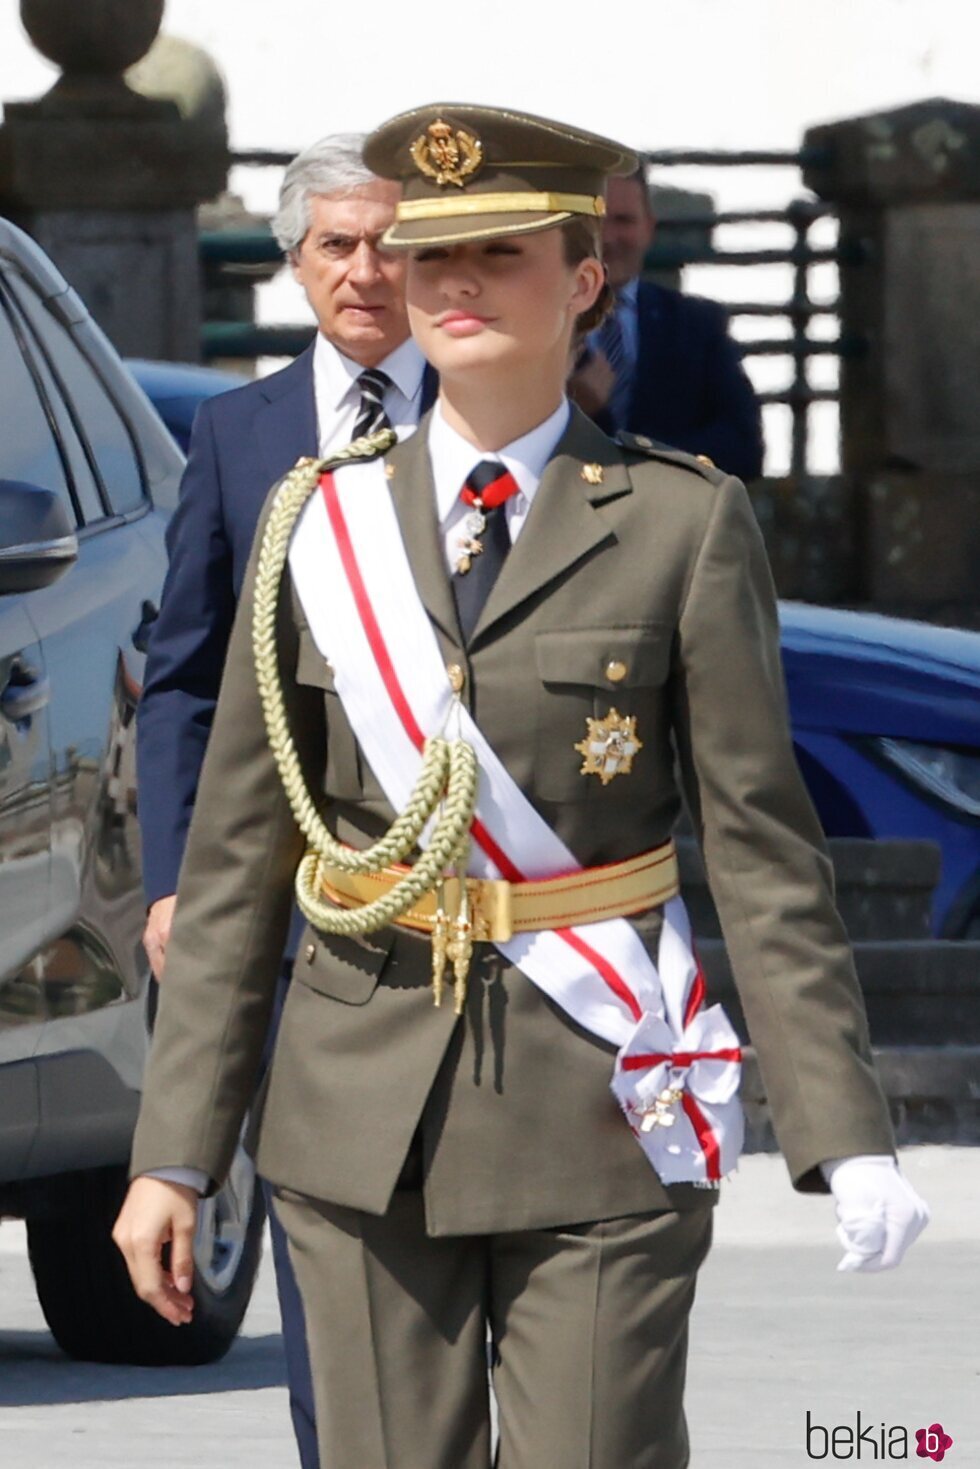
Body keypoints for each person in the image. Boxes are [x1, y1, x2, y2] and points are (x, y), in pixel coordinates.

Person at [115, 104, 928, 1469]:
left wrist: (845, 1135)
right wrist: (173, 1151)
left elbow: (762, 853)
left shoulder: (680, 520)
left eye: (498, 253)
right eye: (432, 260)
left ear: (586, 278)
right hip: (356, 1113)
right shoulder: (317, 523)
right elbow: (243, 861)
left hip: (601, 1107)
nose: (455, 288)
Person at [134, 131, 436, 1469]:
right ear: (292, 263)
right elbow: (187, 677)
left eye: (394, 243)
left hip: (476, 879)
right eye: (338, 245)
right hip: (300, 895)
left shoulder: (496, 415)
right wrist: (172, 881)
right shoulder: (237, 432)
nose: (367, 272)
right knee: (326, 1223)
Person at [569, 166, 765, 482]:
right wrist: (570, 407)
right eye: (597, 222)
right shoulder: (540, 321)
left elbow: (743, 447)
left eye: (624, 221)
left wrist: (639, 466)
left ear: (649, 229)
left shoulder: (697, 325)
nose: (608, 238)